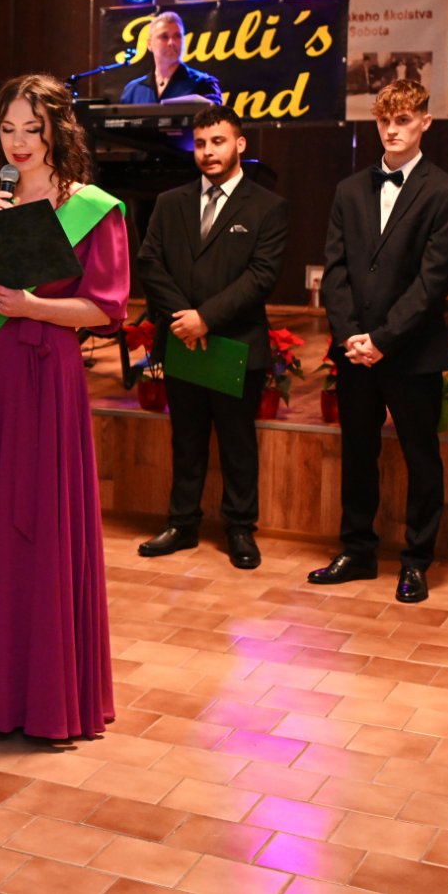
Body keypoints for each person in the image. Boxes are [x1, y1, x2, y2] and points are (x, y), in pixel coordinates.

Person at [0, 73, 129, 739]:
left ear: (57, 132)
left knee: (42, 524)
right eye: (8, 129)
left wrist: (34, 306)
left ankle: (47, 697)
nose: (19, 142)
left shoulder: (94, 208)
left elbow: (104, 310)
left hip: (48, 379)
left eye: (32, 129)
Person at [310, 80, 448, 603]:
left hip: (411, 350)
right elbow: (335, 272)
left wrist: (382, 339)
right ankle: (357, 550)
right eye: (385, 121)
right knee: (358, 452)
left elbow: (432, 282)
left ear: (425, 122)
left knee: (422, 457)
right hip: (355, 350)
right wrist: (350, 336)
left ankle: (417, 560)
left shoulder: (446, 192)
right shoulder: (348, 189)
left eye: (404, 120)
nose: (393, 130)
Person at [136, 103, 287, 569]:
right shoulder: (170, 202)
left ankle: (240, 528)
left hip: (235, 343)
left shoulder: (267, 207)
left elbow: (261, 277)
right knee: (186, 438)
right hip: (182, 338)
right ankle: (182, 523)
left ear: (239, 144)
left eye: (218, 141)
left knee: (238, 442)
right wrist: (185, 319)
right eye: (200, 143)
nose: (207, 151)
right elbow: (149, 263)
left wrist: (206, 318)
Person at [119, 12, 224, 105]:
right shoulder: (133, 90)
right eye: (164, 37)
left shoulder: (203, 84)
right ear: (149, 44)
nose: (171, 42)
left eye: (177, 36)